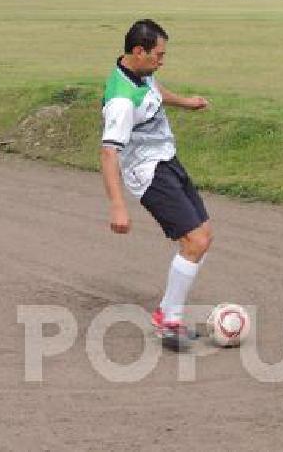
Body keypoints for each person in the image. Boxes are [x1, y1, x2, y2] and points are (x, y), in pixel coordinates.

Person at [100, 19, 212, 349]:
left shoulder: (140, 71)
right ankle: (169, 320)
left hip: (167, 159)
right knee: (195, 241)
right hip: (147, 172)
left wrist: (186, 102)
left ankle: (167, 311)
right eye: (159, 55)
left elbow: (155, 91)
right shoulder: (121, 102)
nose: (162, 61)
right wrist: (117, 206)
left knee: (204, 237)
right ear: (139, 51)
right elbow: (108, 155)